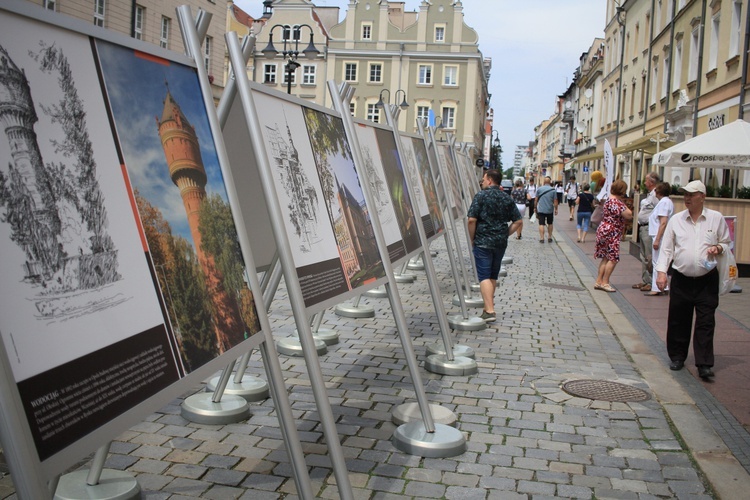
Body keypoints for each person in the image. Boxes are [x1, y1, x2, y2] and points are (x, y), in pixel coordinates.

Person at [655, 180, 730, 379]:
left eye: (691, 194)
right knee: (679, 319)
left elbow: (725, 241)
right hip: (681, 278)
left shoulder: (716, 218)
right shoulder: (676, 220)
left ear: (702, 197)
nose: (687, 198)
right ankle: (678, 356)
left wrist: (718, 248)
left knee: (706, 321)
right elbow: (667, 249)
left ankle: (704, 363)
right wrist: (661, 272)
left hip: (707, 280)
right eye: (685, 194)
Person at [467, 169, 523, 323]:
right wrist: (505, 233)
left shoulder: (481, 195)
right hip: (500, 243)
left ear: (490, 180)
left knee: (484, 275)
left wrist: (472, 237)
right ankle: (487, 308)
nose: (483, 181)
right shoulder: (506, 198)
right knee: (492, 275)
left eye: (484, 179)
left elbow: (471, 220)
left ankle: (490, 310)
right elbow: (518, 221)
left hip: (483, 241)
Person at [593, 180, 633, 292]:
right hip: (612, 231)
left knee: (605, 257)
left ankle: (598, 281)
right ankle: (605, 282)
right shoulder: (617, 202)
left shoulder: (608, 200)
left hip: (603, 229)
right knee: (613, 258)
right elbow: (629, 215)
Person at [632, 172, 660, 292]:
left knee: (649, 256)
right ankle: (645, 280)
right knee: (643, 256)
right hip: (643, 227)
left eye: (646, 180)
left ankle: (651, 281)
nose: (644, 183)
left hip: (649, 228)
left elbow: (660, 212)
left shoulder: (656, 195)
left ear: (652, 182)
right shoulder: (650, 195)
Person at [645, 182, 674, 296]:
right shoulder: (665, 202)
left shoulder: (664, 203)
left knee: (657, 261)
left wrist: (657, 239)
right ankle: (663, 286)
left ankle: (657, 288)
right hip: (659, 235)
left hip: (660, 236)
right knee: (659, 261)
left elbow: (663, 222)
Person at [535, 176, 558, 243]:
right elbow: (555, 201)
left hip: (541, 209)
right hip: (550, 209)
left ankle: (542, 238)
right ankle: (549, 237)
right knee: (550, 223)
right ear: (550, 182)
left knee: (541, 223)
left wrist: (535, 208)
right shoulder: (553, 190)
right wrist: (556, 209)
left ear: (544, 182)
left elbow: (536, 200)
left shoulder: (539, 189)